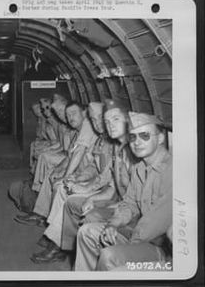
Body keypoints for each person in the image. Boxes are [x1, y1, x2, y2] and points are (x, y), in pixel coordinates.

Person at [75, 111, 172, 271]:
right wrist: (113, 225)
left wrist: (125, 241)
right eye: (133, 137)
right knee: (86, 232)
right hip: (140, 235)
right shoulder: (140, 168)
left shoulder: (171, 171)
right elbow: (129, 204)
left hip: (162, 250)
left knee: (109, 256)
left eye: (145, 136)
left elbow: (153, 225)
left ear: (161, 138)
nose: (137, 142)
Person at [31, 102, 112, 263]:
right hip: (96, 183)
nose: (97, 123)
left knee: (64, 190)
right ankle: (55, 236)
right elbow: (94, 166)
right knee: (63, 186)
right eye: (94, 119)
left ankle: (57, 243)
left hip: (106, 192)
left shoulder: (113, 143)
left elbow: (107, 179)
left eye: (100, 119)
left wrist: (85, 186)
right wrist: (78, 178)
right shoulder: (101, 140)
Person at [60, 99, 136, 254]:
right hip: (119, 200)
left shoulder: (136, 152)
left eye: (115, 119)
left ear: (128, 120)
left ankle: (89, 258)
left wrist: (90, 195)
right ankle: (69, 250)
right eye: (106, 121)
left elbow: (132, 201)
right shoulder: (117, 148)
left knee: (90, 215)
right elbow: (103, 174)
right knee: (71, 202)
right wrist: (84, 186)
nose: (108, 125)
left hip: (125, 207)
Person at [16, 101, 98, 227]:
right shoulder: (77, 130)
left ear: (84, 113)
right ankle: (40, 214)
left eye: (73, 113)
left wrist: (65, 175)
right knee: (51, 173)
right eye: (67, 114)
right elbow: (70, 155)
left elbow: (79, 152)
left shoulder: (87, 126)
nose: (70, 117)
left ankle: (53, 226)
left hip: (89, 174)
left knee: (60, 184)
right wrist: (58, 169)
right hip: (80, 170)